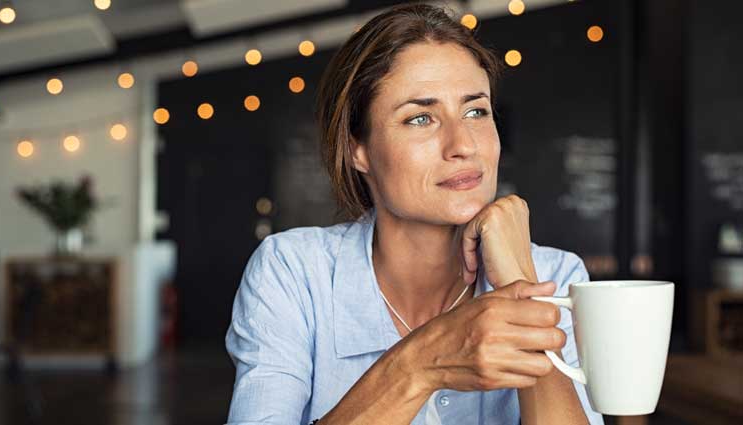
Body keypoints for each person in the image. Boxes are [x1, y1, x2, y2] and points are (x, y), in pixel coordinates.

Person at [225, 3, 604, 424]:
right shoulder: (293, 272)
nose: (463, 144)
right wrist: (421, 363)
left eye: (476, 111)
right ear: (358, 149)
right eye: (421, 118)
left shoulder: (558, 276)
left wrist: (519, 280)